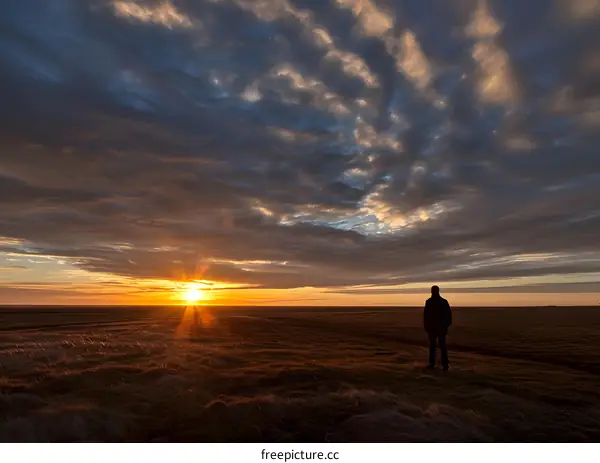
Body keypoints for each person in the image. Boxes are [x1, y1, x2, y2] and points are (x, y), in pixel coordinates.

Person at [423, 285, 452, 371]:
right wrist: (427, 326)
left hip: (439, 328)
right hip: (433, 328)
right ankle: (436, 364)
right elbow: (426, 316)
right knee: (435, 346)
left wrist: (445, 325)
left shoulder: (442, 302)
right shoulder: (430, 302)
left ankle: (444, 364)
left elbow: (448, 316)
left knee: (440, 346)